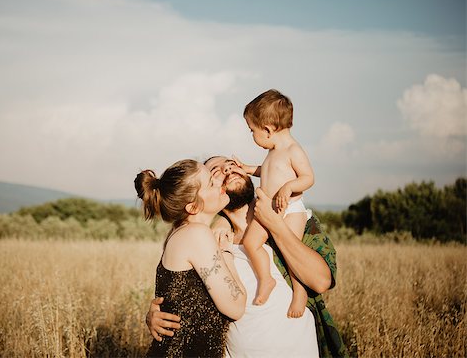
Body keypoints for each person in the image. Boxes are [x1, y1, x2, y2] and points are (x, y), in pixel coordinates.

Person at [146, 156, 350, 358]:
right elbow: (181, 290)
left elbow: (321, 281)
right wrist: (158, 313)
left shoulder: (294, 220)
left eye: (231, 164)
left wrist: (275, 225)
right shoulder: (214, 240)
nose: (227, 169)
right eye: (215, 172)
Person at [135, 159, 247, 358]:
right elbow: (236, 307)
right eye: (211, 184)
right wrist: (226, 253)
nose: (219, 183)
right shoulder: (197, 235)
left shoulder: (182, 232)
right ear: (193, 207)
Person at [238, 89, 314, 316]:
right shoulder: (273, 152)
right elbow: (268, 172)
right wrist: (249, 169)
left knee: (291, 255)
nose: (252, 136)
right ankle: (266, 279)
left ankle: (300, 293)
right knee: (251, 243)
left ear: (268, 130)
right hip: (270, 210)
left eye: (252, 131)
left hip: (290, 210)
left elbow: (308, 178)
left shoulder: (293, 150)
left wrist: (289, 187)